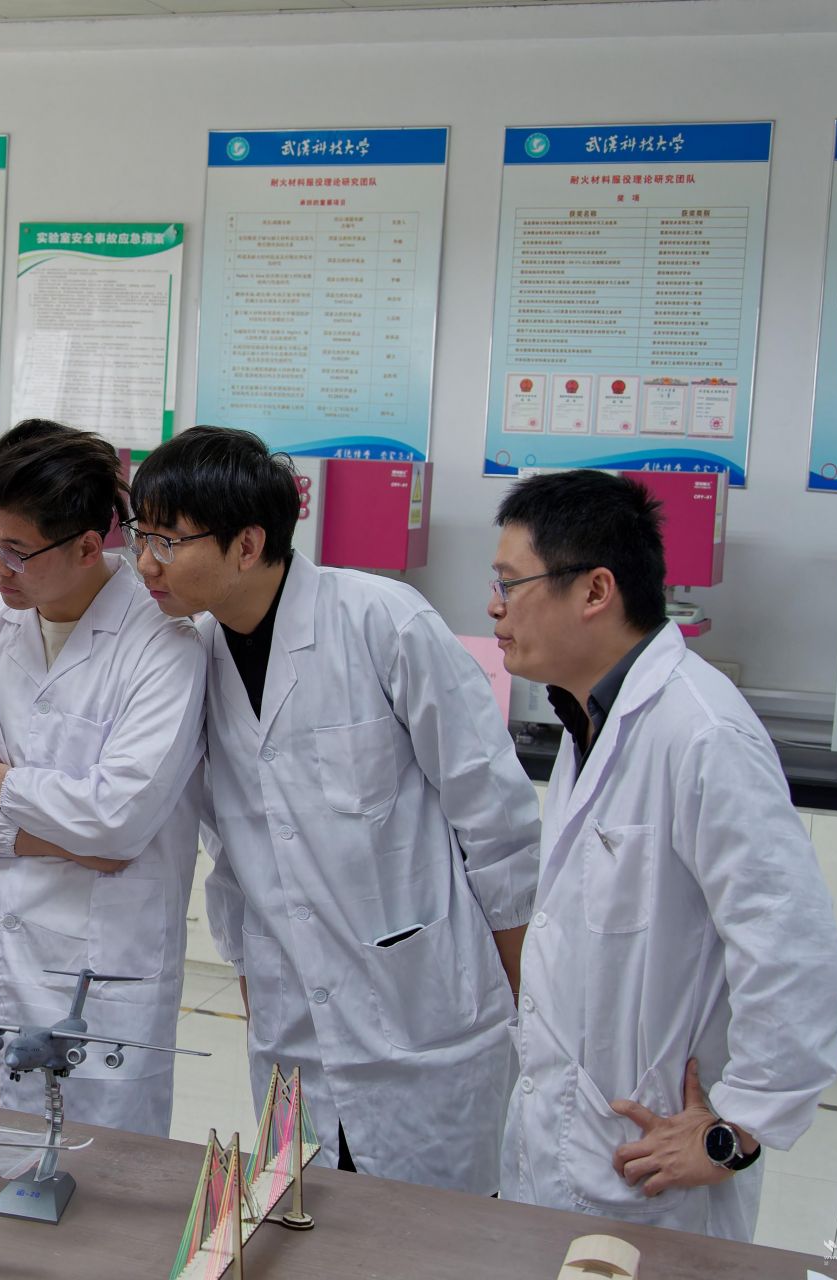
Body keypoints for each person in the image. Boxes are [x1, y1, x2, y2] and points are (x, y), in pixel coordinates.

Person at [127, 426, 539, 1191]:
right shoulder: (193, 656)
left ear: (247, 545)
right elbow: (232, 853)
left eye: (166, 540)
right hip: (292, 1023)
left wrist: (529, 1010)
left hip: (425, 1012)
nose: (145, 562)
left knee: (443, 1227)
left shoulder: (383, 622)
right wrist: (256, 993)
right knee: (310, 1217)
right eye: (138, 534)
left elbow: (497, 822)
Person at [490, 468, 837, 1240]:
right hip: (570, 1148)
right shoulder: (591, 721)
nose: (495, 606)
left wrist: (737, 1130)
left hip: (651, 1172)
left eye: (511, 583)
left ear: (595, 591)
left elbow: (796, 953)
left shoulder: (702, 732)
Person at [0, 420, 205, 1139]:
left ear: (87, 546)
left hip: (97, 974)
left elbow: (116, 820)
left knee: (91, 1174)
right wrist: (57, 841)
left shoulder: (166, 646)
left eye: (17, 550)